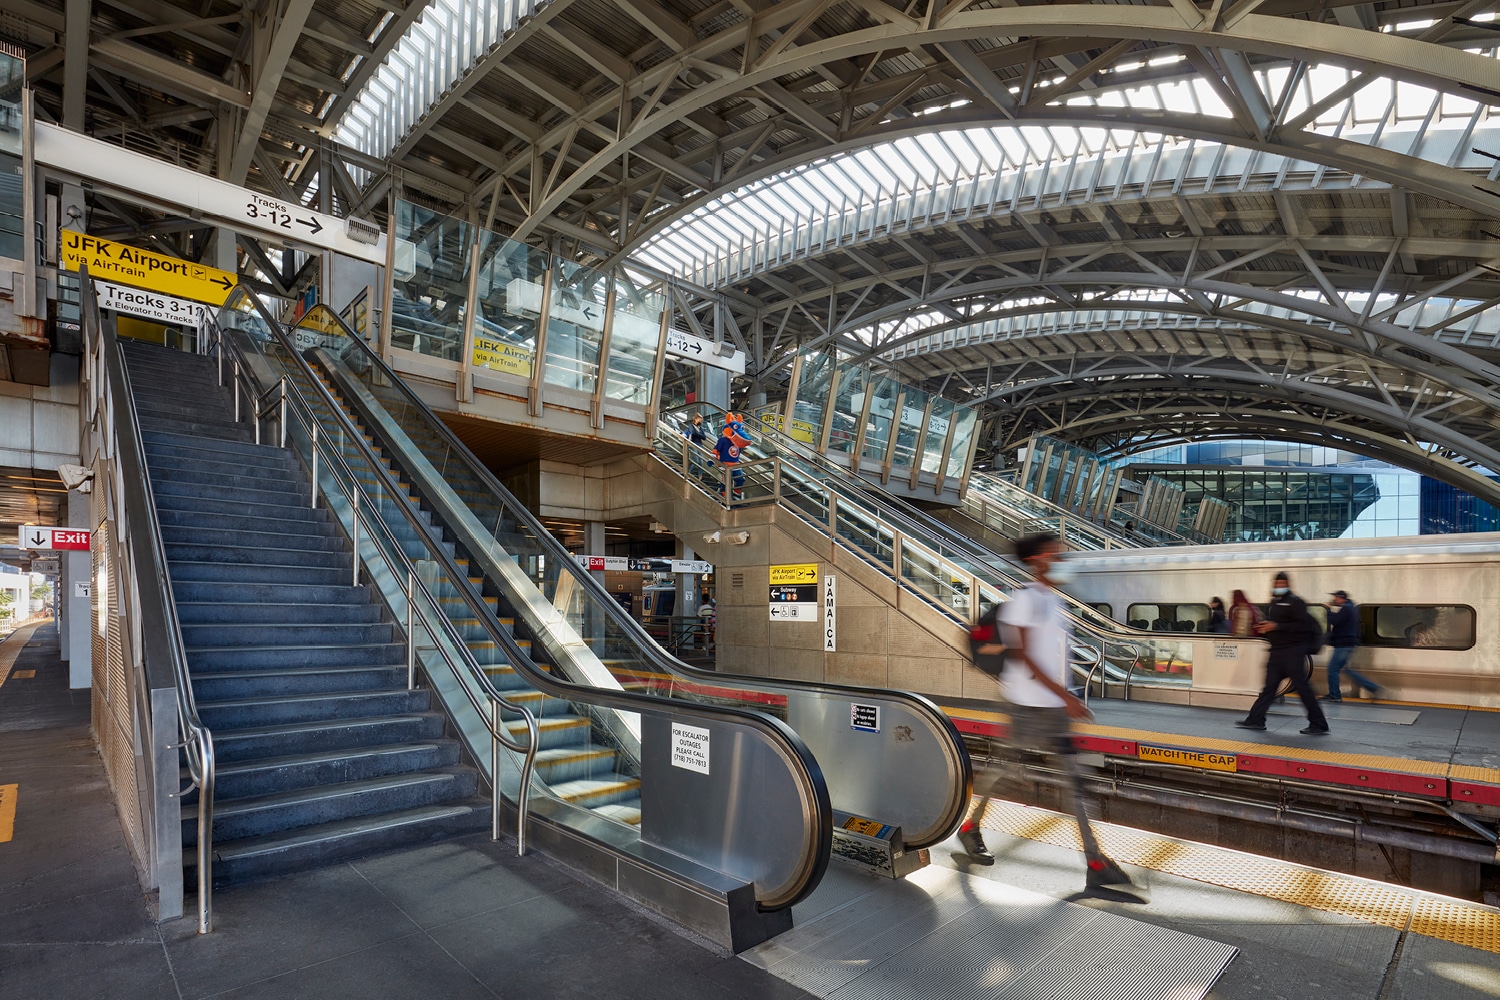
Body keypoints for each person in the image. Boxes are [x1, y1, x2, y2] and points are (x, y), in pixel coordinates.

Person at [956, 532, 1137, 892]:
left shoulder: (1053, 601)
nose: (1062, 559)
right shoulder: (1024, 600)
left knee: (1072, 781)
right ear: (1037, 560)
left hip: (1051, 706)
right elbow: (1023, 655)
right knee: (1009, 771)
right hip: (1028, 704)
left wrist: (1064, 696)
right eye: (1056, 553)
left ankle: (1095, 861)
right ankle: (969, 826)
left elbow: (1055, 658)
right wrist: (1066, 697)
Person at [1236, 572, 1330, 736]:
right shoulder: (1274, 602)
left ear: (1287, 584)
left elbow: (1302, 627)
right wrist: (1266, 627)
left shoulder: (1296, 602)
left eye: (1282, 583)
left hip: (1293, 651)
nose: (1279, 586)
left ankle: (1319, 724)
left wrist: (1277, 626)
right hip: (1277, 651)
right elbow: (1276, 625)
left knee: (1302, 688)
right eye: (1277, 583)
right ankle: (1255, 720)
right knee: (1269, 688)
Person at [1322, 590, 1379, 702]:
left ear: (1341, 598)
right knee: (1346, 670)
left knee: (1332, 669)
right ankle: (1373, 688)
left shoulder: (1346, 608)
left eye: (1335, 598)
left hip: (1343, 645)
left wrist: (1327, 609)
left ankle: (1335, 695)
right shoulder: (1350, 608)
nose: (1334, 600)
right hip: (1348, 644)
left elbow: (1335, 621)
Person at [713, 417, 749, 500]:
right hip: (725, 464)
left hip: (736, 464)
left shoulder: (737, 442)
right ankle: (724, 494)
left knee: (741, 479)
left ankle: (736, 492)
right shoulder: (722, 440)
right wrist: (712, 460)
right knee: (726, 481)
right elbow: (716, 450)